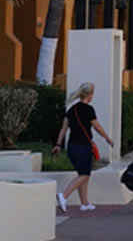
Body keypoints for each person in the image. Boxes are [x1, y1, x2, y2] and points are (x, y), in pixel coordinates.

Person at [52, 82, 114, 214]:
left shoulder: (71, 110)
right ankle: (64, 196)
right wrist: (107, 138)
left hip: (71, 147)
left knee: (83, 174)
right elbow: (97, 127)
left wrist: (58, 145)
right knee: (85, 174)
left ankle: (85, 203)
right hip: (83, 146)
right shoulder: (88, 109)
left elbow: (63, 129)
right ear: (90, 95)